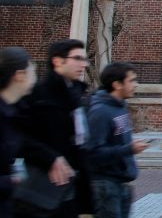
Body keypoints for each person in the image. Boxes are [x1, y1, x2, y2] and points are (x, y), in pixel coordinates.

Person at [17, 38, 93, 217]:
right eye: (77, 58)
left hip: (71, 191)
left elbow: (80, 147)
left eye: (84, 59)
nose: (83, 64)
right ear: (58, 61)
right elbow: (18, 137)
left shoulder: (77, 97)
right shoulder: (37, 95)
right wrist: (50, 158)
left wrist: (87, 205)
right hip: (41, 194)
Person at [86, 62, 149, 218]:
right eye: (132, 81)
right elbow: (92, 154)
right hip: (105, 186)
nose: (136, 85)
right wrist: (128, 149)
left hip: (120, 184)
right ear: (117, 84)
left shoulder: (120, 106)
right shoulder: (100, 112)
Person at [0, 47, 37, 216]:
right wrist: (11, 181)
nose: (35, 78)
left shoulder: (15, 110)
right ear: (20, 75)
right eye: (33, 71)